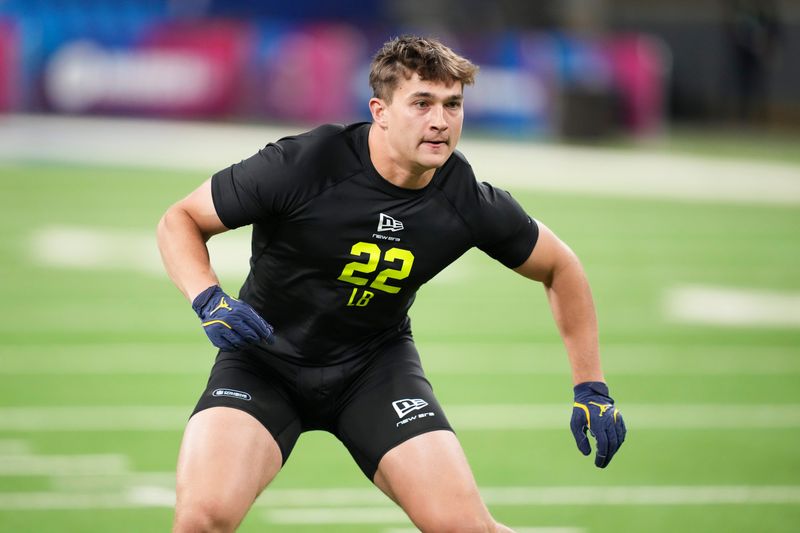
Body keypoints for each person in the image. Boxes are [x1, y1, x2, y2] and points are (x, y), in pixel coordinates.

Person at [157, 35, 626, 533]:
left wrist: (590, 385)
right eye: (422, 103)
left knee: (466, 528)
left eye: (453, 105)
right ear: (379, 111)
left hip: (373, 369)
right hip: (264, 362)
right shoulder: (306, 163)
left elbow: (561, 267)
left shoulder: (463, 197)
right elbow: (180, 219)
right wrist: (207, 296)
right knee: (201, 521)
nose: (440, 122)